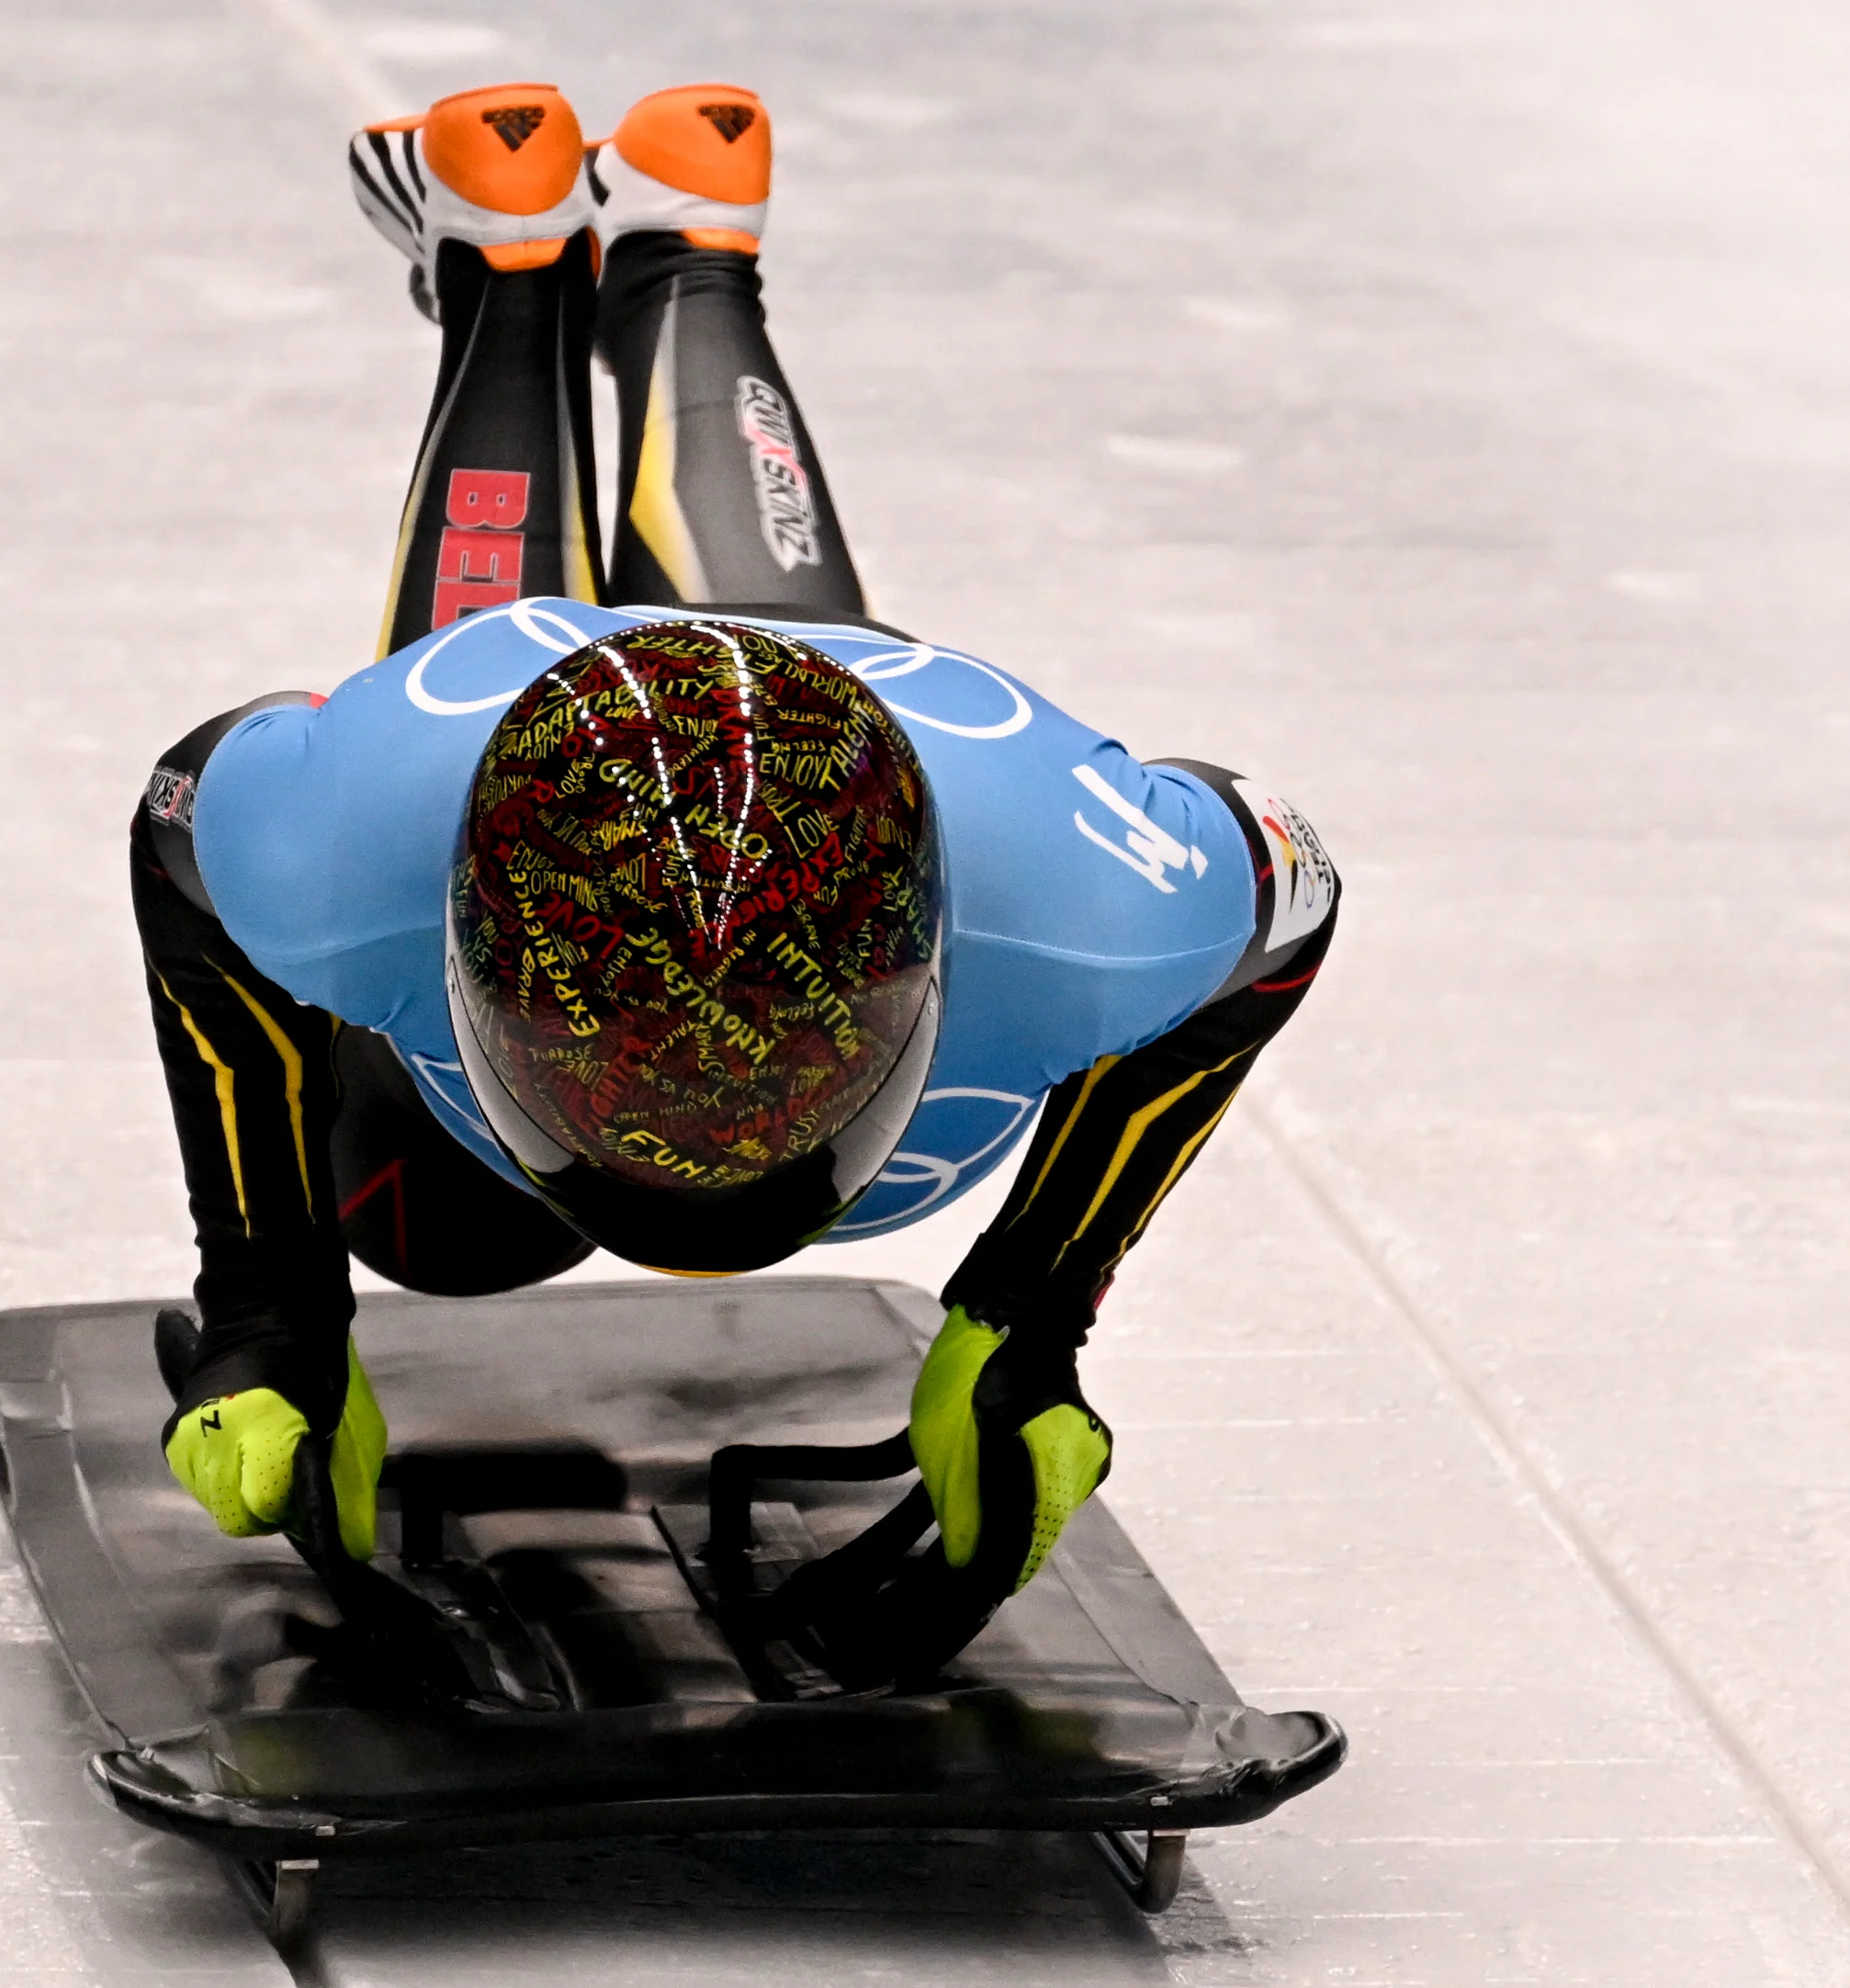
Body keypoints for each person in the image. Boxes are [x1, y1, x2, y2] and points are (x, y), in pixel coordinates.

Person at [130, 82, 1337, 1682]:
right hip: (507, 729)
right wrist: (272, 1298)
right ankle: (620, 265)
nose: (689, 1141)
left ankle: (574, 251)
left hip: (896, 762)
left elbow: (1291, 904)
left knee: (447, 1204)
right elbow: (1290, 899)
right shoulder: (352, 826)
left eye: (761, 1055)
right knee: (445, 1232)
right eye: (618, 1061)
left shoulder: (1093, 897)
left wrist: (1027, 1318)